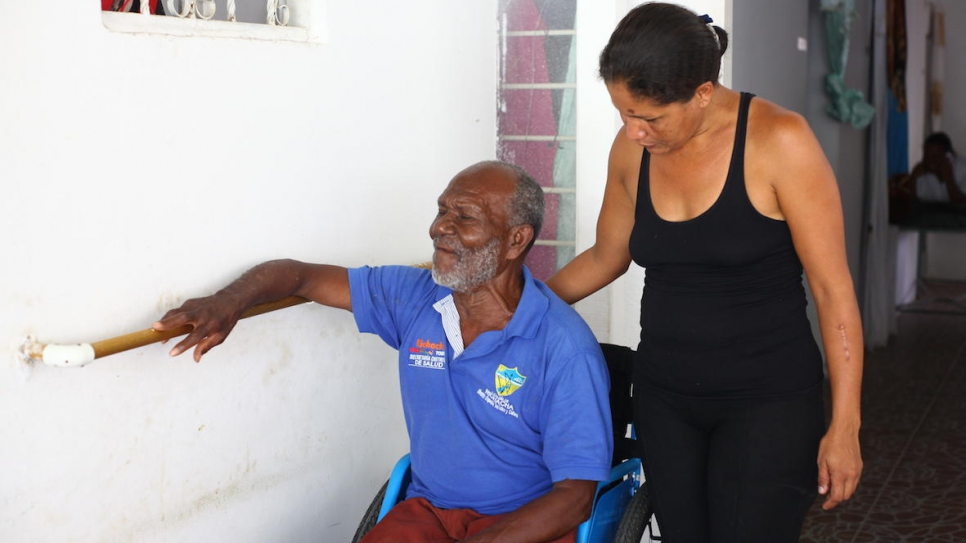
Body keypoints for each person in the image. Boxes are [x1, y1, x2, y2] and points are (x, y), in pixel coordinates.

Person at [152, 161, 614, 543]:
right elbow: (298, 275)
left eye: (465, 217)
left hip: (523, 527)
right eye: (440, 212)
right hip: (428, 516)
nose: (439, 229)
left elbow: (574, 495)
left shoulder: (564, 348)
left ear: (517, 240)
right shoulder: (415, 298)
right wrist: (228, 302)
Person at [544, 3, 864, 542]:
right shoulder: (632, 149)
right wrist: (518, 306)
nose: (634, 132)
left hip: (768, 402)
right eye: (624, 114)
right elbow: (606, 256)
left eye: (650, 118)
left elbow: (834, 293)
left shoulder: (781, 142)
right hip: (665, 399)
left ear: (702, 92)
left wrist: (847, 423)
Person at [909, 132, 966, 203]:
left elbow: (962, 205)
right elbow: (914, 207)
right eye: (926, 156)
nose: (929, 161)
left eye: (935, 157)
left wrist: (949, 178)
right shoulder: (922, 174)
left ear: (948, 157)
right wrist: (913, 179)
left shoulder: (963, 169)